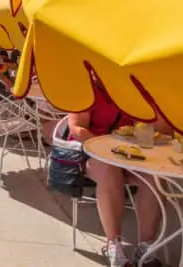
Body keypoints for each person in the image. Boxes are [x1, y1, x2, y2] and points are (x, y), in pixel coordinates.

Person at [68, 79, 167, 267]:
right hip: (92, 153)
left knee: (155, 176)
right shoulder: (86, 89)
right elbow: (77, 128)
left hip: (130, 155)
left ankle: (145, 247)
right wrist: (108, 150)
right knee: (109, 170)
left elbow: (155, 127)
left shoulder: (134, 89)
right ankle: (114, 245)